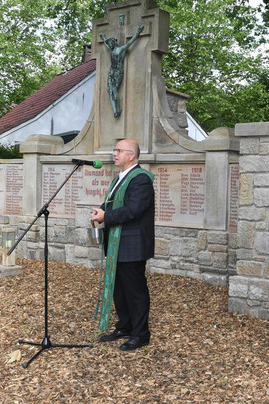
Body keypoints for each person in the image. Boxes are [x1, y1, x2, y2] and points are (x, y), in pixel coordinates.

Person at [91, 139, 155, 351]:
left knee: (134, 290)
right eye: (115, 149)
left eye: (119, 151)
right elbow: (111, 202)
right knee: (119, 288)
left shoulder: (141, 179)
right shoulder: (120, 178)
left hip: (132, 244)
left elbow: (133, 210)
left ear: (132, 155)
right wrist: (100, 211)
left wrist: (106, 216)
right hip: (116, 243)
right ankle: (125, 326)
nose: (114, 154)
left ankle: (140, 334)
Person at [100, 24, 144, 118]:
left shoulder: (120, 49)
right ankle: (115, 110)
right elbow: (106, 44)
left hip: (118, 72)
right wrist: (103, 38)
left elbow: (130, 43)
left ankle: (117, 109)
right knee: (109, 90)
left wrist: (138, 32)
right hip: (111, 71)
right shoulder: (112, 50)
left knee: (114, 89)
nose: (109, 45)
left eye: (110, 43)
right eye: (109, 44)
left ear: (113, 43)